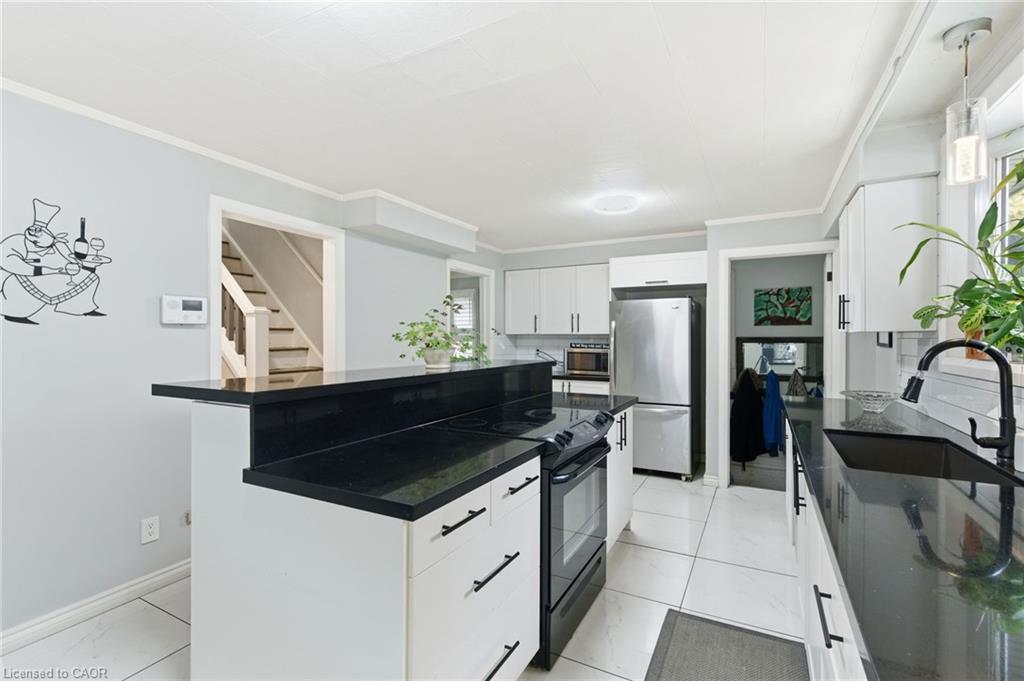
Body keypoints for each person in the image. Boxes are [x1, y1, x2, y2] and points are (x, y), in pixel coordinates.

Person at [1, 199, 104, 324]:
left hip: (52, 273)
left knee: (89, 277)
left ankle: (79, 307)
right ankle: (14, 313)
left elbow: (69, 255)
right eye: (34, 230)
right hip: (23, 276)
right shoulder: (15, 241)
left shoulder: (52, 241)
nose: (34, 232)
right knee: (26, 286)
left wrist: (84, 263)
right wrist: (47, 270)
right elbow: (11, 263)